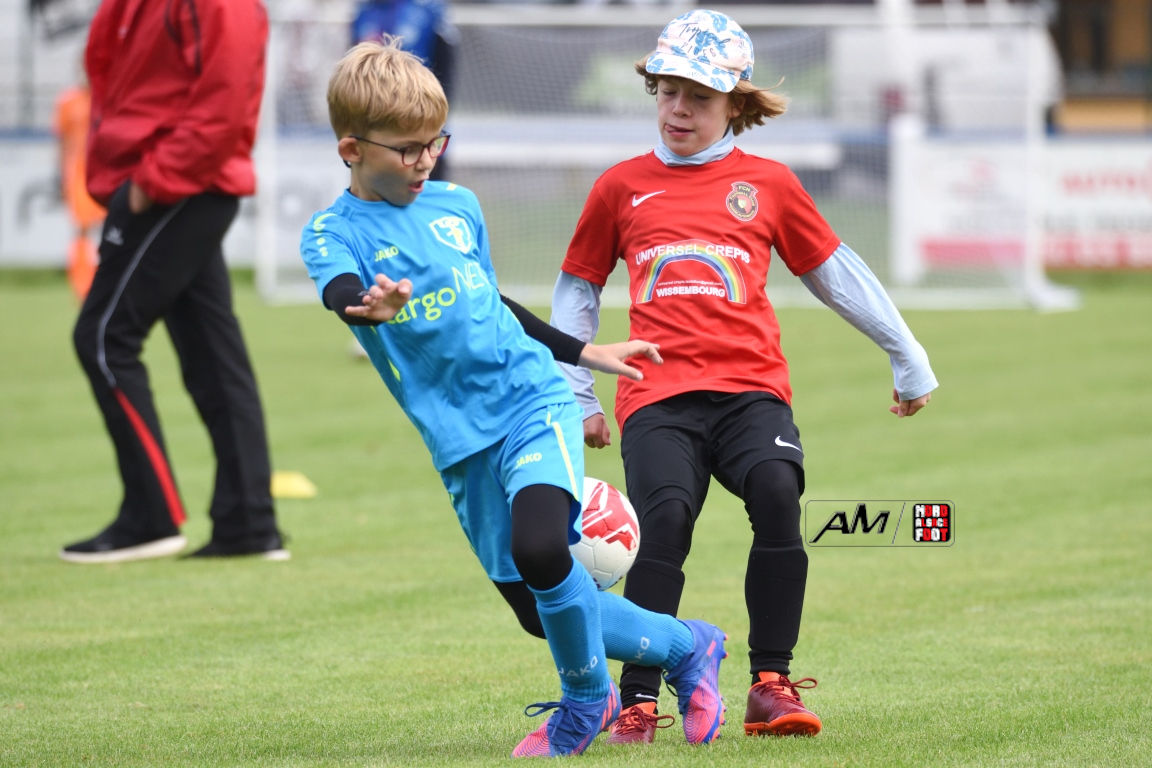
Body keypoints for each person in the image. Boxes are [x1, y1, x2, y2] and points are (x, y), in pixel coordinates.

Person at [299, 39, 728, 756]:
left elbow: (492, 304)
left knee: (541, 548)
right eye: (407, 149)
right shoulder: (331, 233)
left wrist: (584, 354)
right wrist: (365, 307)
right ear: (351, 149)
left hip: (531, 402)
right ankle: (690, 646)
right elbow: (340, 289)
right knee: (537, 609)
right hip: (458, 439)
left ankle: (586, 702)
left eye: (435, 143)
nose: (425, 161)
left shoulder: (458, 206)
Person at [550, 9, 939, 743]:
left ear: (734, 103)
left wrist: (905, 352)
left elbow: (835, 273)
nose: (678, 109)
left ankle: (770, 685)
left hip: (752, 393)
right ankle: (638, 700)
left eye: (698, 96)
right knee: (664, 520)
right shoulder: (619, 187)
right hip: (658, 397)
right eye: (668, 91)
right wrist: (579, 392)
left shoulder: (768, 183)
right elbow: (576, 291)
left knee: (778, 495)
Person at [61, 0, 287, 563]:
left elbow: (225, 98)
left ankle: (150, 517)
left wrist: (150, 182)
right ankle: (247, 525)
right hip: (170, 180)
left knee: (103, 337)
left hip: (178, 184)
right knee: (213, 356)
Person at [350, 0, 456, 181]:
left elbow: (445, 68)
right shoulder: (363, 12)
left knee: (427, 194)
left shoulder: (428, 11)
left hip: (419, 126)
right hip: (374, 134)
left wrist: (435, 124)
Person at [53, 75, 104, 300]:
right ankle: (83, 283)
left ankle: (104, 280)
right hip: (78, 171)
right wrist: (60, 175)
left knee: (109, 226)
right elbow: (62, 141)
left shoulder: (107, 96)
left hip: (104, 167)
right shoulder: (68, 101)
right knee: (82, 227)